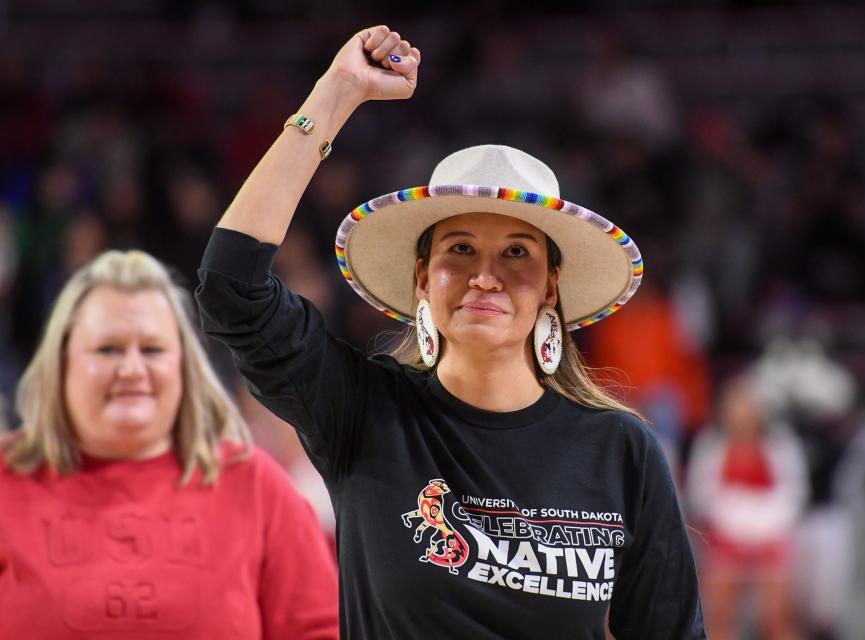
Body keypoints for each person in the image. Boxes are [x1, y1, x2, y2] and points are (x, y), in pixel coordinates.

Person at [195, 25, 704, 639]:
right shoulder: (361, 410)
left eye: (517, 252)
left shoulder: (622, 451)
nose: (485, 276)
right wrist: (335, 95)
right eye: (460, 249)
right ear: (421, 279)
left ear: (550, 286)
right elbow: (231, 290)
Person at [0, 249, 339, 639]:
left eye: (152, 350)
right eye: (107, 349)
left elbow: (318, 629)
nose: (131, 369)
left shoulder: (256, 486)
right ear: (61, 365)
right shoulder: (7, 480)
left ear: (184, 367)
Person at [686, 376, 808, 640]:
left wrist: (758, 523)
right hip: (725, 540)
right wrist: (737, 520)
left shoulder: (781, 445)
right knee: (718, 614)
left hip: (771, 539)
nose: (740, 414)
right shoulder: (710, 445)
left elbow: (794, 496)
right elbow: (701, 496)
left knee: (776, 617)